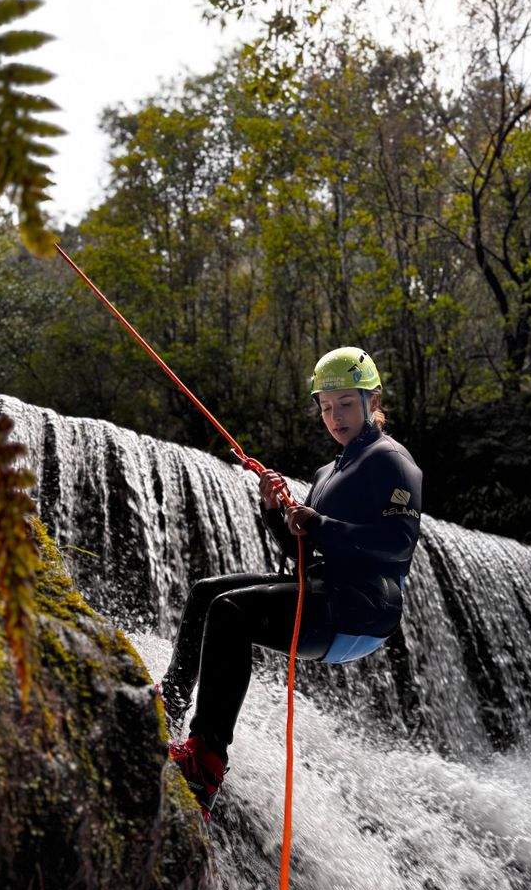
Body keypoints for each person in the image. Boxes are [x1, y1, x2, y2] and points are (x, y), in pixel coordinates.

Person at [164, 347, 423, 819]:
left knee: (230, 613)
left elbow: (397, 545)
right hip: (329, 590)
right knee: (207, 593)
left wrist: (319, 523)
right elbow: (302, 554)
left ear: (372, 399)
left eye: (345, 403)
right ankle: (166, 712)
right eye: (326, 406)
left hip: (363, 609)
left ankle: (205, 762)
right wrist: (273, 512)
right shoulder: (329, 472)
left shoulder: (392, 461)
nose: (335, 416)